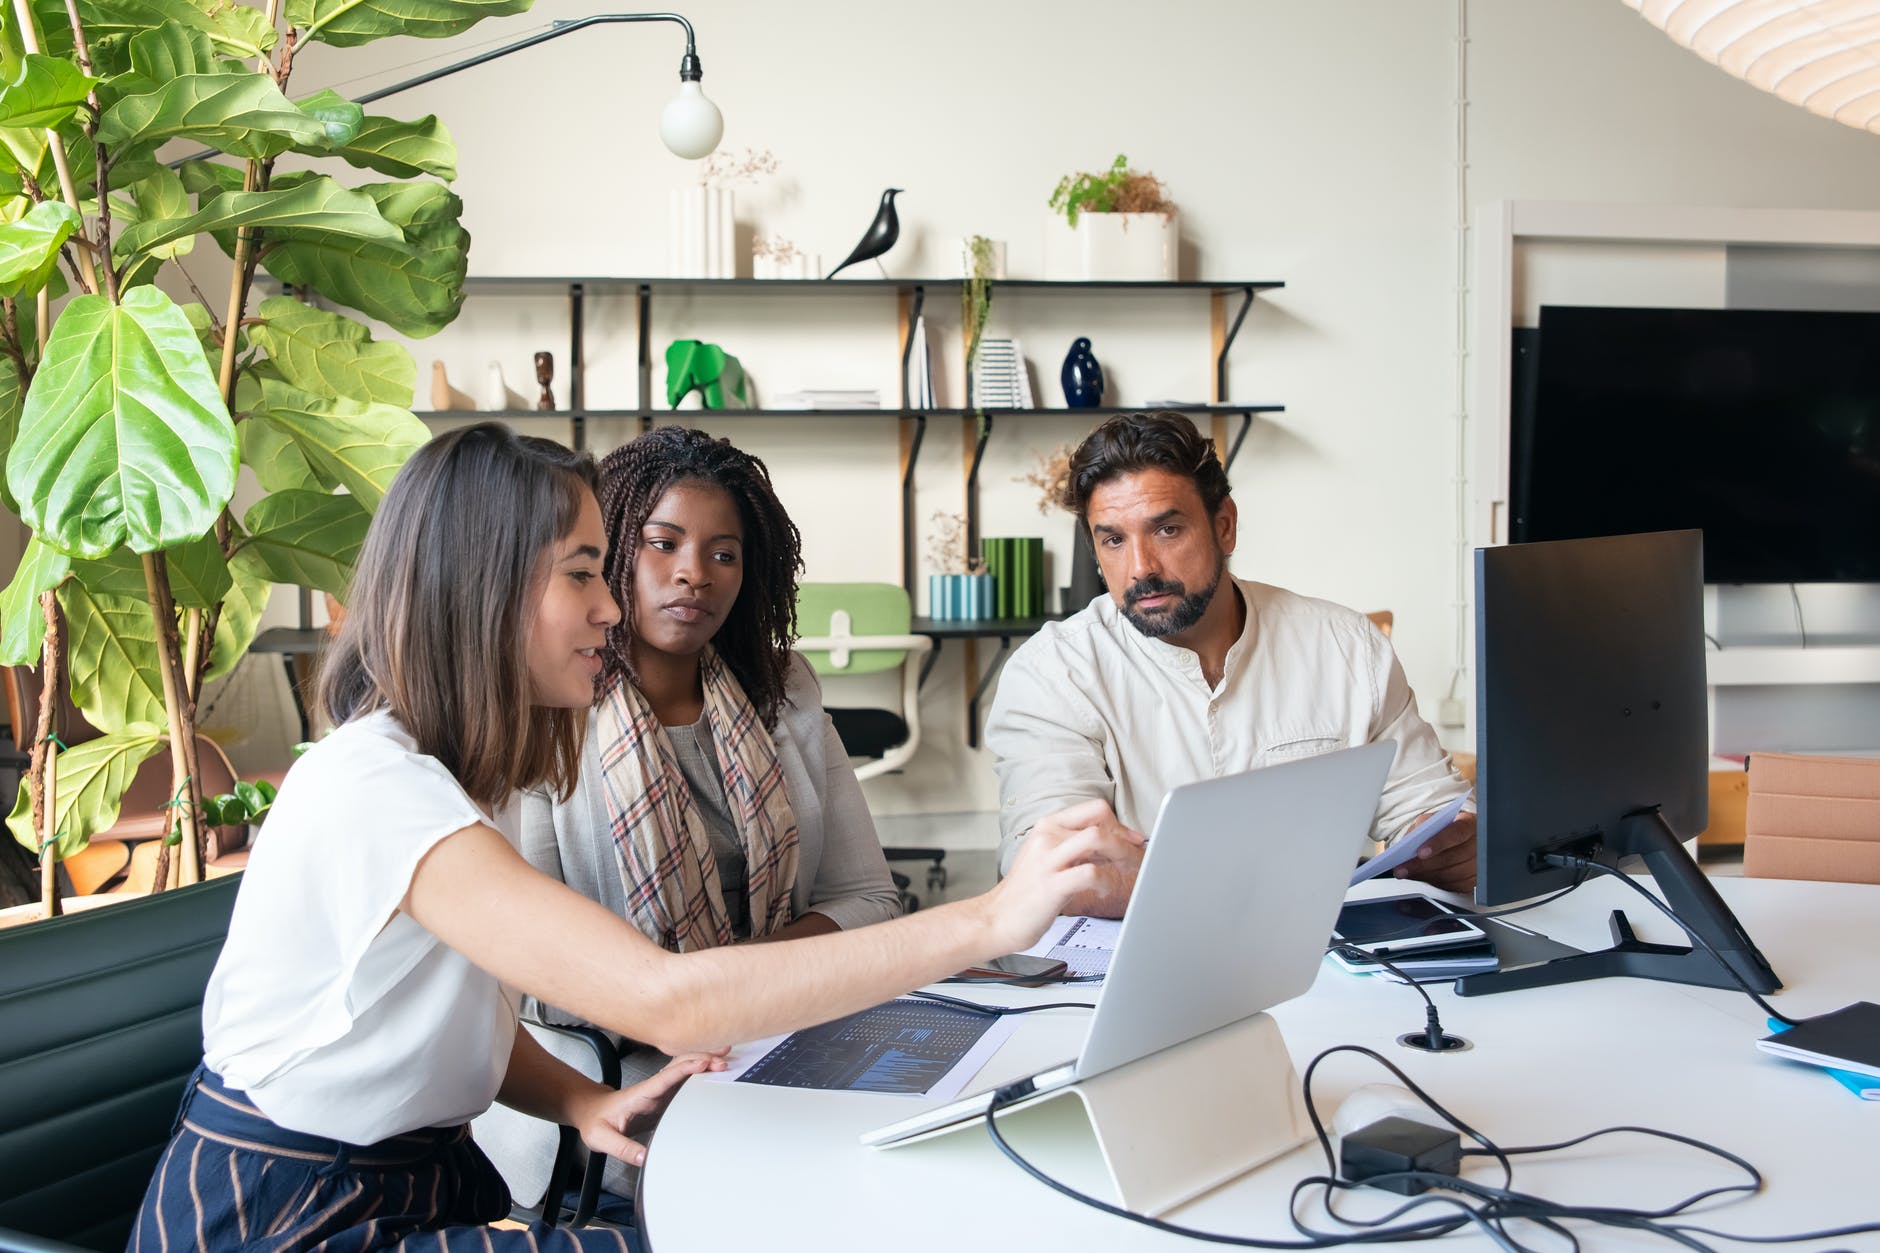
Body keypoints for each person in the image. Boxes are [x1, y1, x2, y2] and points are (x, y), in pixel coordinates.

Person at [129, 423, 1127, 1252]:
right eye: (582, 571)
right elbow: (662, 992)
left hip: (406, 1179)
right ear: (483, 590)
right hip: (289, 1217)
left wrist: (575, 1098)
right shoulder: (377, 787)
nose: (613, 603)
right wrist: (994, 916)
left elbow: (439, 1011)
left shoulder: (444, 772)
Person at [478, 426, 901, 1211]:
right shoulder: (546, 709)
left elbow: (869, 896)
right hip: (616, 1089)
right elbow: (543, 980)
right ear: (606, 555)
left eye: (723, 553)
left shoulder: (784, 690)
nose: (692, 574)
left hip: (783, 1042)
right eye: (661, 542)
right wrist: (725, 994)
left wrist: (741, 988)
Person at [985, 410, 1474, 919]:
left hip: (1327, 964)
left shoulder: (1347, 647)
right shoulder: (1051, 675)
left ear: (1224, 527)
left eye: (1167, 530)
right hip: (1132, 971)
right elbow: (1053, 872)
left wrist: (1449, 843)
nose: (1141, 568)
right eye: (1113, 540)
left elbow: (1431, 808)